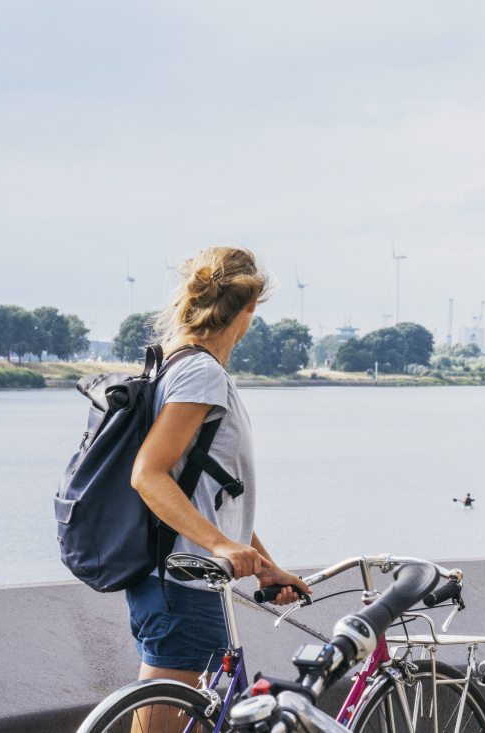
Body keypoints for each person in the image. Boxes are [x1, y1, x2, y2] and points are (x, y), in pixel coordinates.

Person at [129, 246, 311, 696]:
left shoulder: (178, 362)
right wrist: (219, 545)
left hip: (183, 576)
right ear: (251, 305)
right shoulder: (200, 373)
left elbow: (211, 492)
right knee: (159, 727)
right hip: (184, 582)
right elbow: (148, 474)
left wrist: (264, 566)